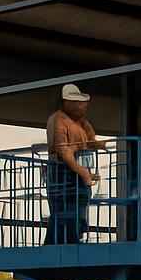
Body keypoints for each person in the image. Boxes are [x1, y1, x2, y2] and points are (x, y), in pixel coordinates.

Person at [44, 83, 100, 245]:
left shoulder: (77, 121)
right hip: (64, 174)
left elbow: (89, 140)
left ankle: (70, 238)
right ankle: (65, 240)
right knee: (65, 210)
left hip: (74, 175)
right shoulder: (58, 120)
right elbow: (64, 151)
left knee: (74, 209)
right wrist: (84, 173)